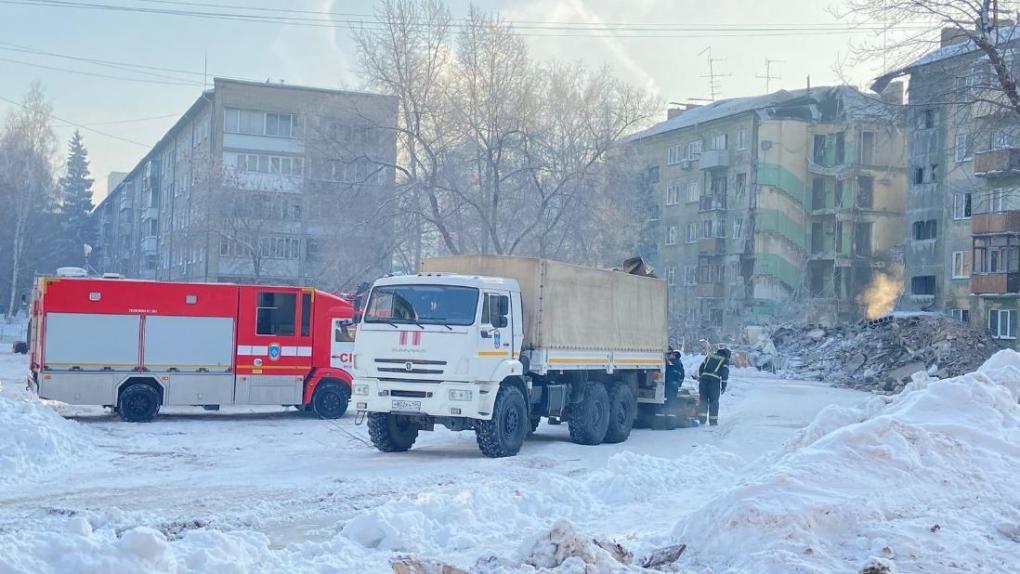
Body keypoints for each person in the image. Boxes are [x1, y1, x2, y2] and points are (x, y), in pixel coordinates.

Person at [696, 348, 730, 426]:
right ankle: (713, 421)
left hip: (703, 380)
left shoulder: (710, 356)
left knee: (703, 400)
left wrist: (702, 376)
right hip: (714, 382)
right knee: (714, 401)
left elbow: (701, 367)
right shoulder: (725, 360)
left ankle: (702, 420)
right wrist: (723, 386)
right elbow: (725, 373)